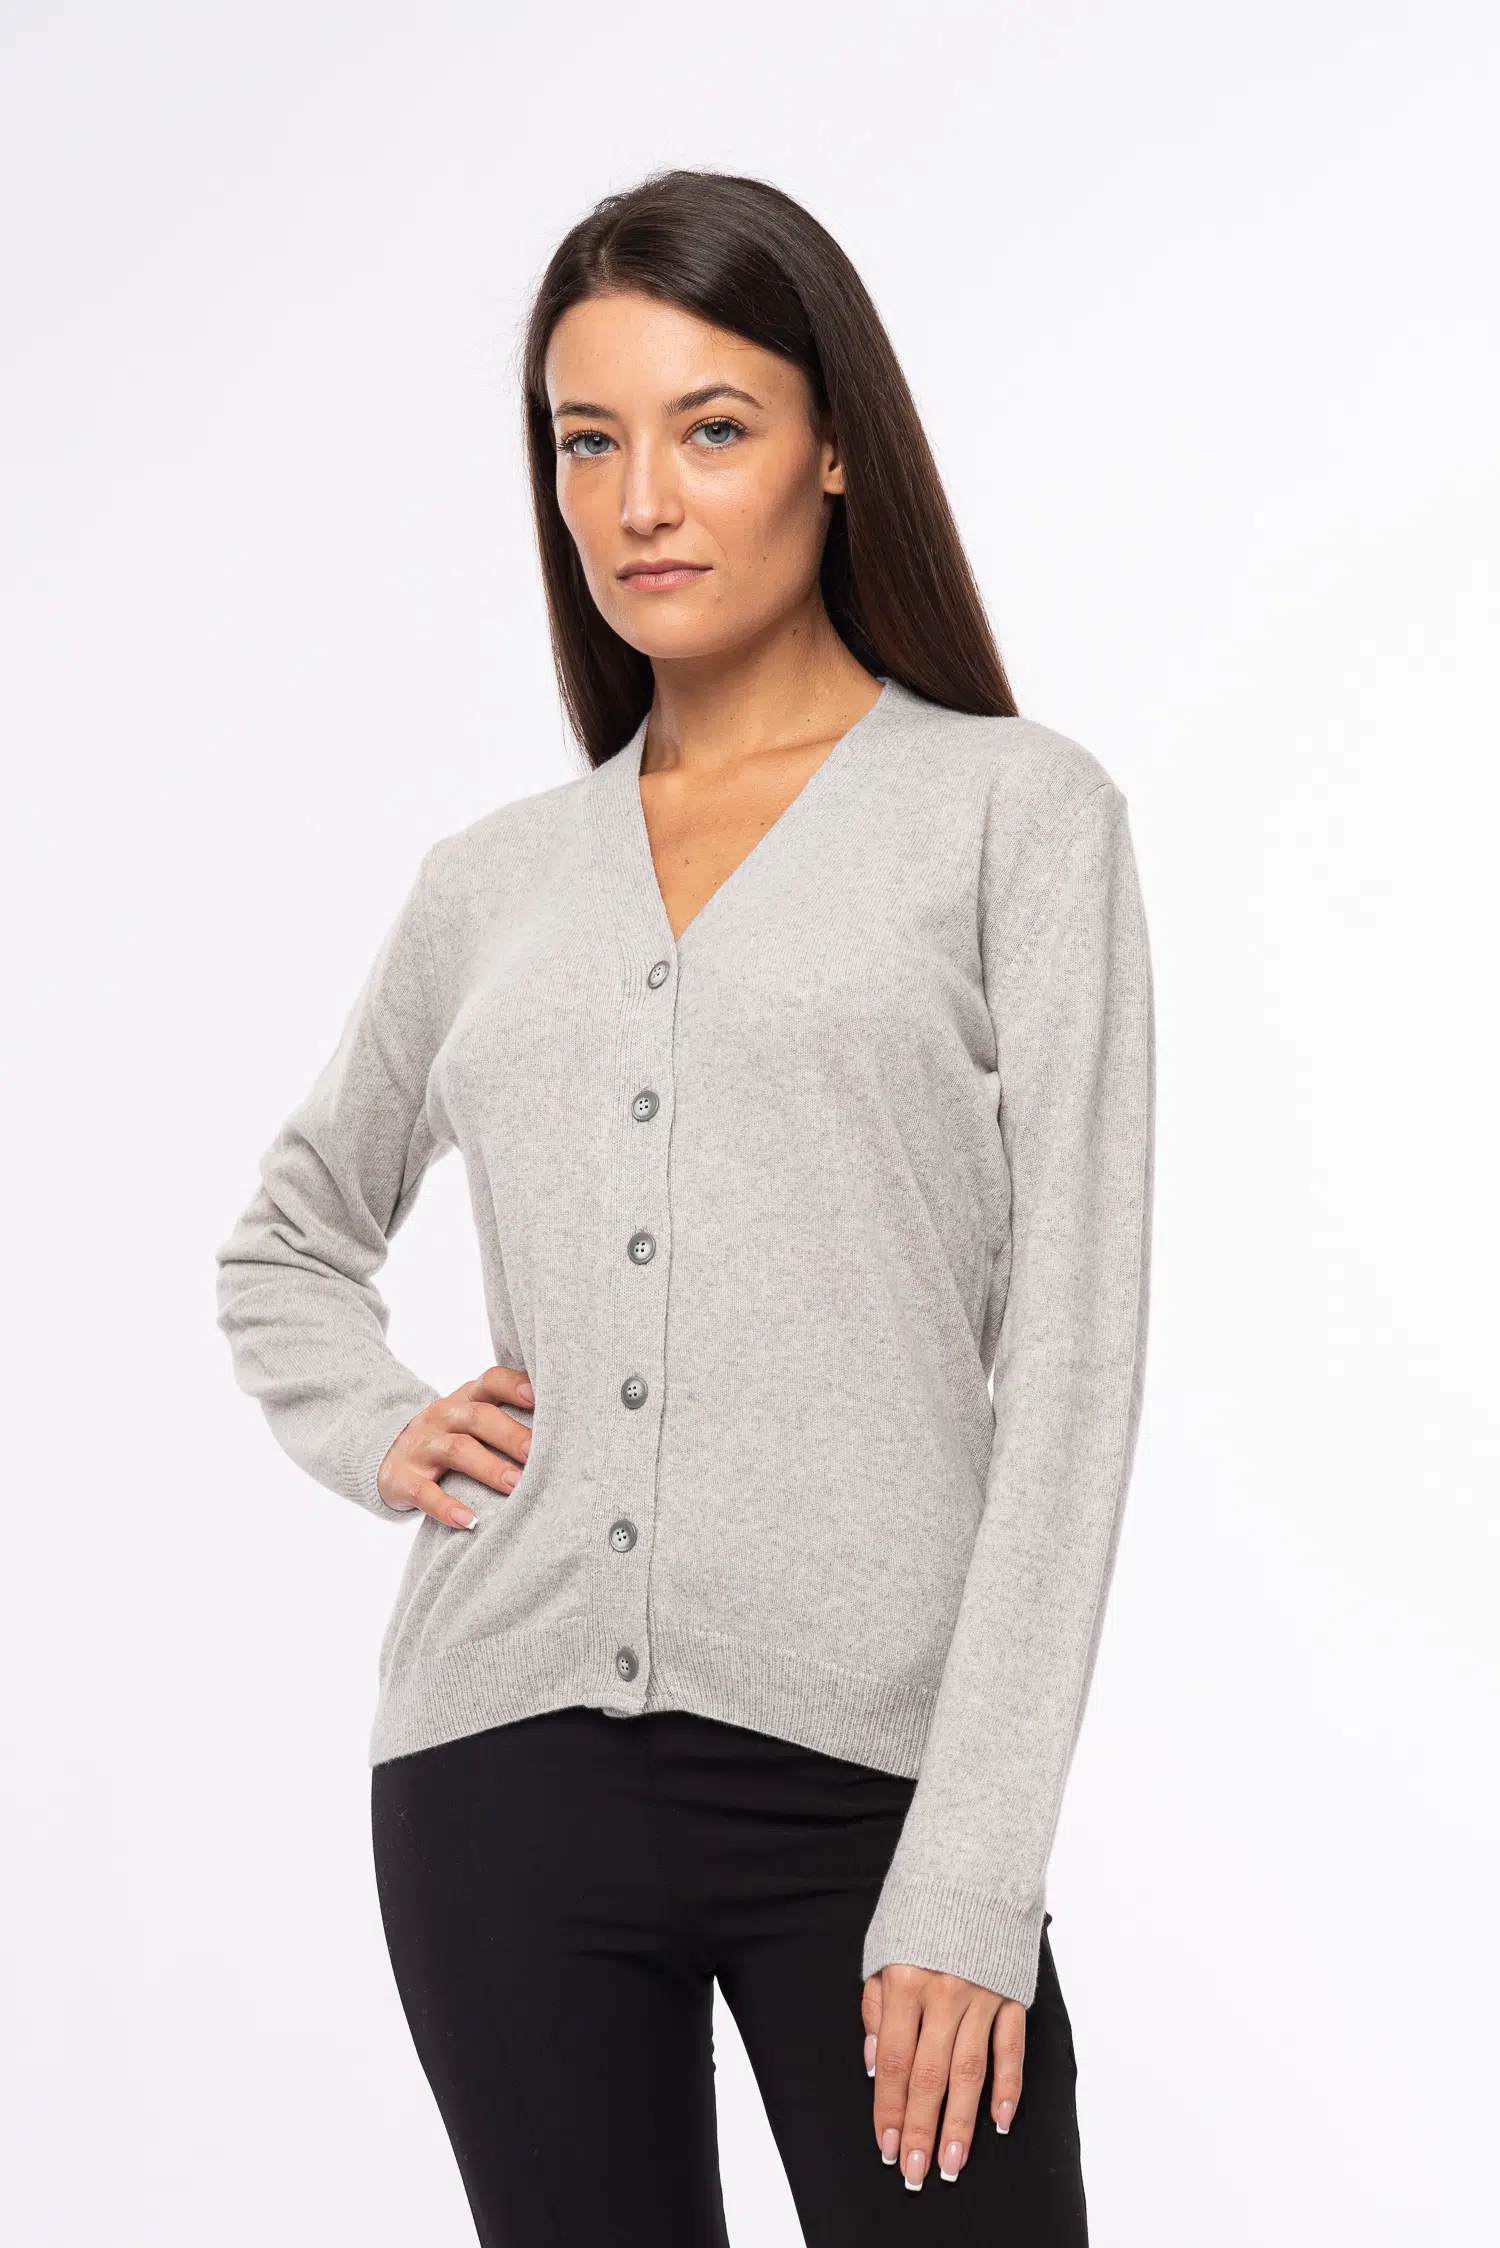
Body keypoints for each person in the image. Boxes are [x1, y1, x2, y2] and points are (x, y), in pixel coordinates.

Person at [214, 167, 1155, 2246]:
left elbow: (1076, 1369)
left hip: (879, 1793)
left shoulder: (1015, 818)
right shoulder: (490, 882)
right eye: (587, 440)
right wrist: (380, 1423)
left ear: (833, 446)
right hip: (498, 1772)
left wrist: (976, 1868)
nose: (640, 498)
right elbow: (289, 1235)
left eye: (710, 426)